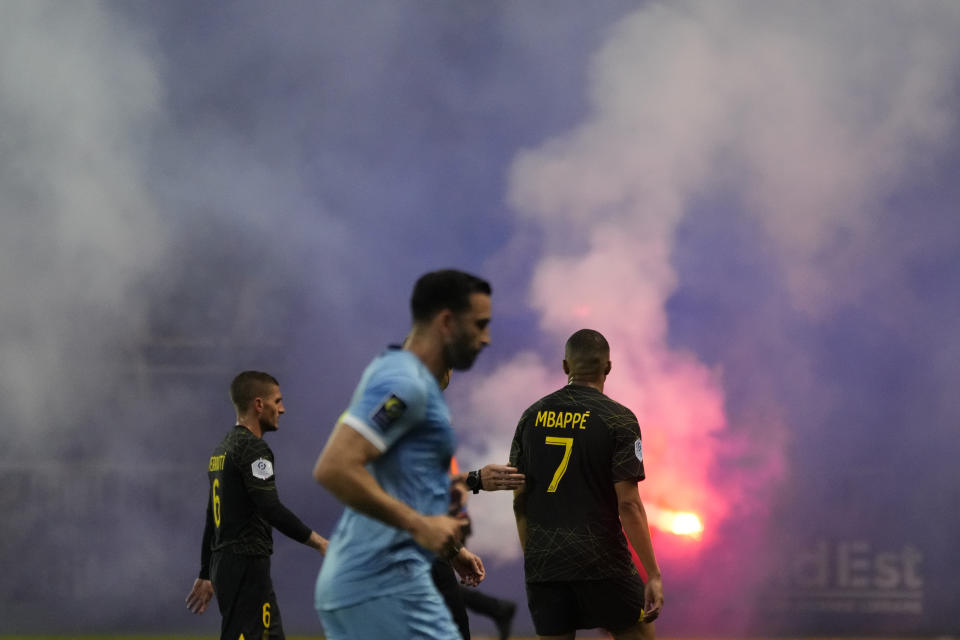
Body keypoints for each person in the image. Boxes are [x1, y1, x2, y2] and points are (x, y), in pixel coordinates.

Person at [312, 269, 492, 640]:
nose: (486, 338)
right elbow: (334, 467)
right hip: (377, 585)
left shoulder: (410, 381)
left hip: (395, 579)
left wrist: (453, 550)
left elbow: (401, 481)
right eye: (479, 325)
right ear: (446, 321)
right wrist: (420, 525)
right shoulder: (403, 384)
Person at [510, 329, 664, 640]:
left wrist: (536, 559)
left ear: (565, 366)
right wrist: (654, 574)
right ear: (608, 368)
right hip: (603, 562)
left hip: (546, 565)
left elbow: (519, 499)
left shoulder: (531, 417)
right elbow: (629, 504)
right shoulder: (619, 419)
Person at [185, 370, 328, 640]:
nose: (282, 409)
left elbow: (211, 518)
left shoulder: (221, 450)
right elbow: (270, 508)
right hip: (246, 563)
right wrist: (319, 542)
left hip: (225, 563)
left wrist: (206, 571)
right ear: (259, 404)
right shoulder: (253, 449)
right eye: (278, 401)